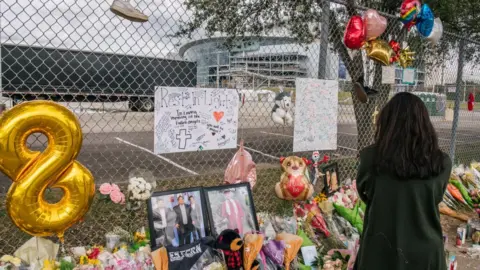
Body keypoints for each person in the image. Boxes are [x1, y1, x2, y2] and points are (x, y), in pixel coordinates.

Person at [354, 92, 451, 270]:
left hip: (380, 250)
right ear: (424, 123)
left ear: (387, 122)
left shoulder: (370, 158)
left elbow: (365, 193)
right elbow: (435, 197)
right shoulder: (442, 163)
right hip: (426, 251)